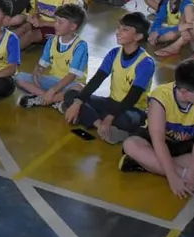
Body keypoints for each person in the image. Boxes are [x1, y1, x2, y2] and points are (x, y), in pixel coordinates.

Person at [120, 60, 194, 197]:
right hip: (158, 144)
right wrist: (172, 177)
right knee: (131, 144)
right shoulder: (160, 97)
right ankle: (190, 175)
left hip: (187, 145)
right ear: (184, 92)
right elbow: (158, 139)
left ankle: (144, 165)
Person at [61, 12, 154, 144]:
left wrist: (110, 117)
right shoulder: (114, 53)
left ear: (138, 36)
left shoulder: (145, 63)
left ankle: (94, 120)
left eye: (125, 30)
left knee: (126, 121)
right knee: (71, 95)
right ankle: (102, 127)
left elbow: (132, 97)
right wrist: (78, 103)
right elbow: (96, 81)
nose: (118, 32)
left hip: (132, 109)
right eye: (118, 28)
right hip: (111, 102)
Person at [15, 3, 88, 108]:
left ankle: (43, 99)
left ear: (73, 26)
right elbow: (42, 64)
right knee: (19, 77)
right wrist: (37, 71)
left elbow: (72, 76)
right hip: (53, 81)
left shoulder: (80, 46)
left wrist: (52, 90)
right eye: (55, 21)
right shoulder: (51, 41)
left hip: (71, 84)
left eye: (60, 22)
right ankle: (52, 100)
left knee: (79, 89)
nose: (55, 25)